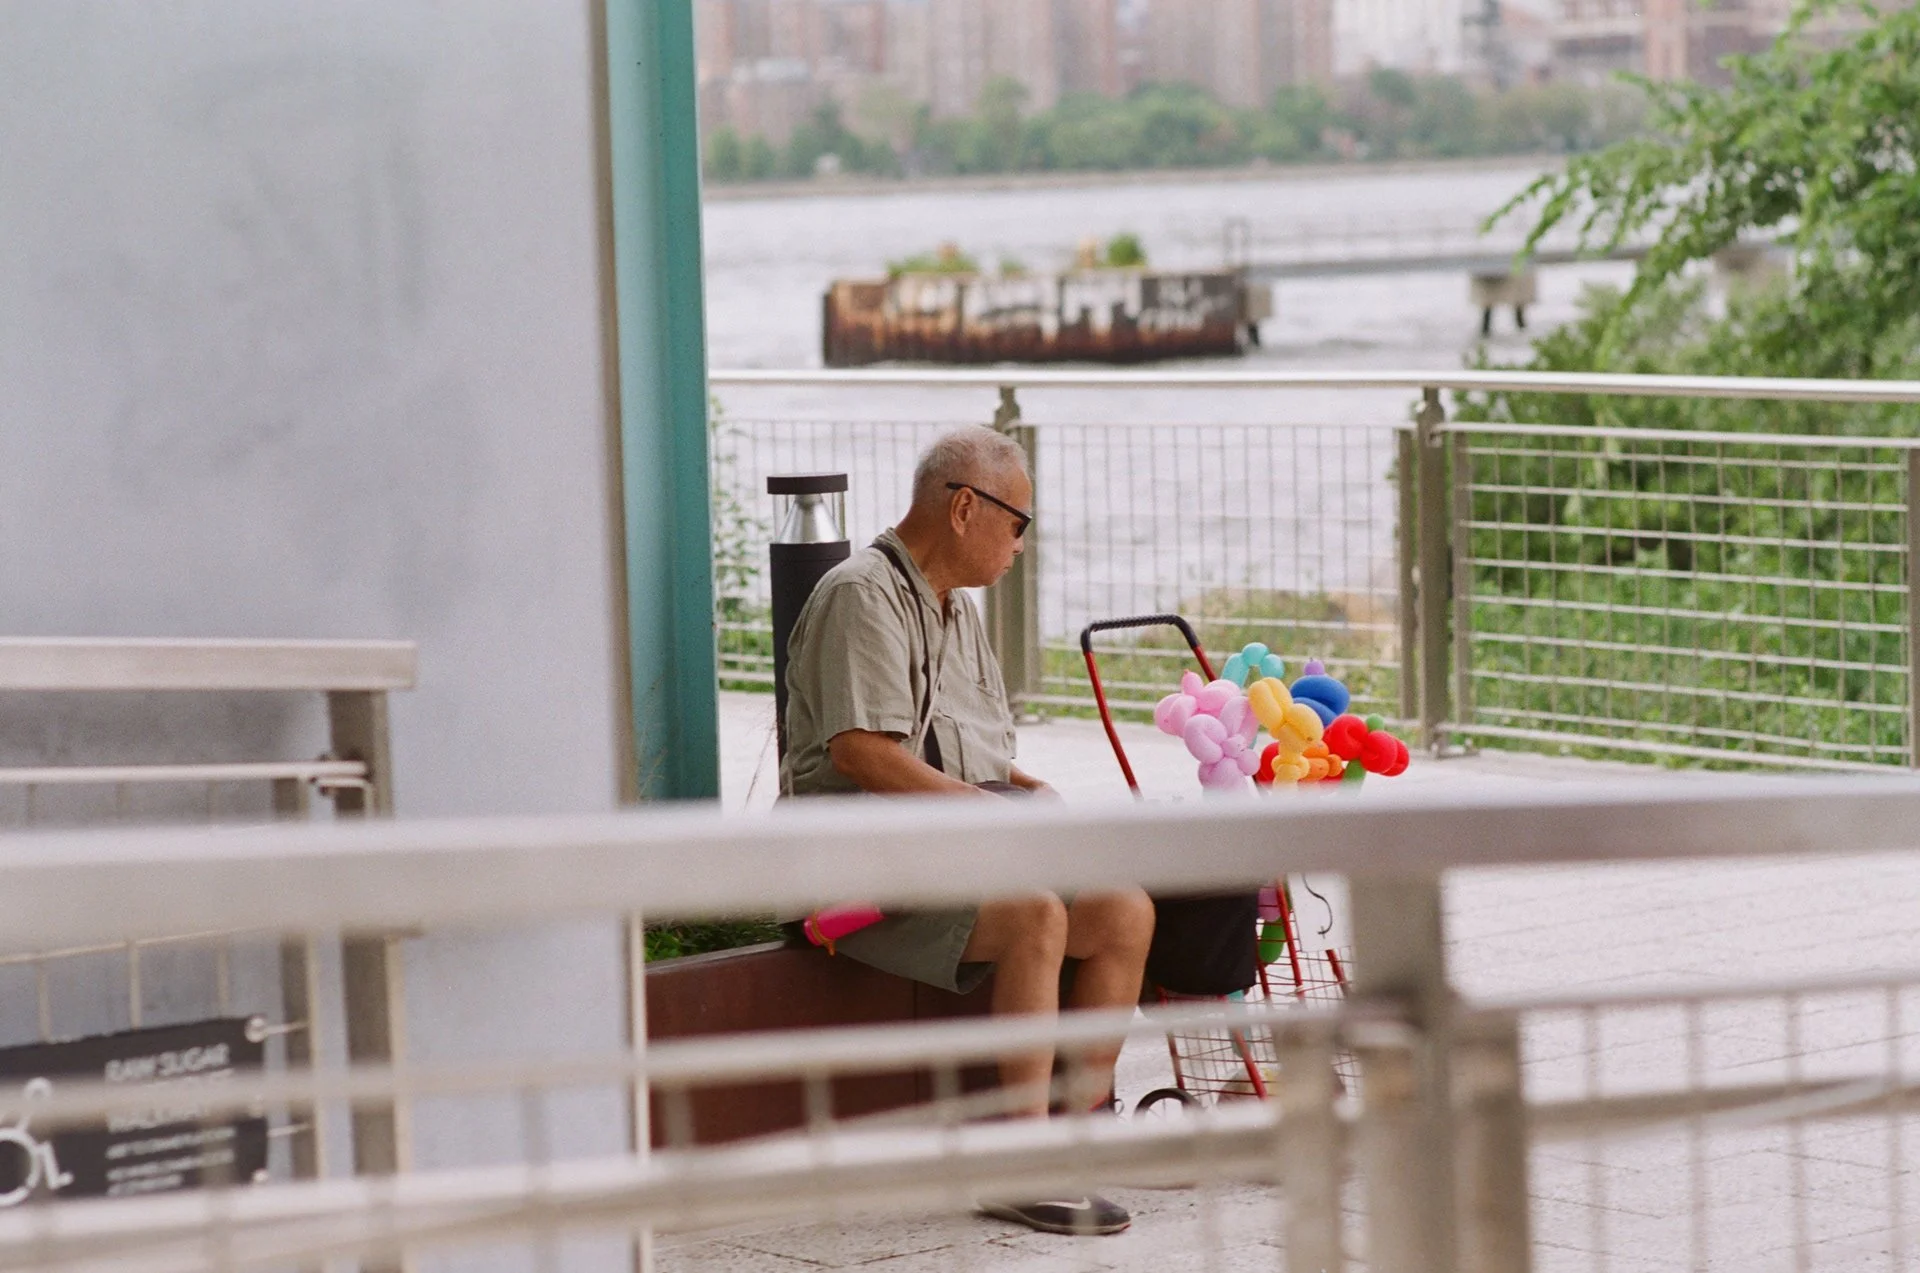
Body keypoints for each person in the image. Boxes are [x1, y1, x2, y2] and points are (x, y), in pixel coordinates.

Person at [781, 425, 1155, 1237]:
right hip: (856, 871)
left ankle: (1074, 1133)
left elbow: (977, 753)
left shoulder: (956, 610)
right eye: (1018, 523)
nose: (1020, 545)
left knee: (1125, 908)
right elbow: (863, 754)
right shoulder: (861, 593)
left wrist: (1034, 792)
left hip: (952, 856)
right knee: (1036, 911)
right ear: (964, 508)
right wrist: (999, 816)